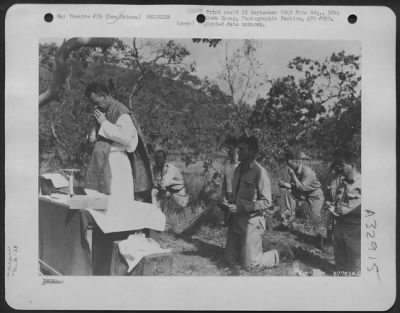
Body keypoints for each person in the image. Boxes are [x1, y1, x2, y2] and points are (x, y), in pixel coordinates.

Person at [224, 136, 293, 270]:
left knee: (251, 265)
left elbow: (267, 202)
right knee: (229, 260)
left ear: (252, 152)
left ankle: (279, 252)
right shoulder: (238, 169)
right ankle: (255, 248)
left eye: (242, 149)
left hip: (252, 221)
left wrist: (242, 207)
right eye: (238, 149)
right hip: (236, 219)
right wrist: (228, 203)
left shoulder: (259, 172)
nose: (238, 152)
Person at [85, 82, 153, 204]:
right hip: (102, 160)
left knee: (117, 197)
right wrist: (95, 124)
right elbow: (92, 139)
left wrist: (104, 123)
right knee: (101, 199)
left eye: (96, 102)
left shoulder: (121, 112)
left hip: (116, 161)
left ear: (104, 96)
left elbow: (126, 138)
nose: (95, 107)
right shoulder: (102, 111)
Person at [330, 151, 361, 273]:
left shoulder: (363, 183)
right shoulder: (341, 184)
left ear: (352, 165)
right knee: (340, 261)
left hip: (354, 230)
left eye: (342, 165)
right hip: (339, 227)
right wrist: (333, 206)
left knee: (355, 265)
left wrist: (349, 211)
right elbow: (340, 203)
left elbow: (370, 210)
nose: (339, 168)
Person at [279, 147, 324, 226]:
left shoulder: (307, 171)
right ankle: (289, 218)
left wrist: (293, 176)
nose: (290, 167)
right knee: (289, 192)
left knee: (314, 218)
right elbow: (294, 186)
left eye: (291, 164)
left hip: (315, 194)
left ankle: (319, 233)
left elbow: (302, 187)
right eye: (288, 164)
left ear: (296, 161)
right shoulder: (295, 170)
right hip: (303, 193)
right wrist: (284, 184)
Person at [219, 137, 239, 225]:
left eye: (230, 148)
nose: (228, 150)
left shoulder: (241, 165)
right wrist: (222, 194)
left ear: (236, 149)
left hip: (237, 192)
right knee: (226, 210)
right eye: (227, 148)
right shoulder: (227, 163)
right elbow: (224, 179)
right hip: (228, 191)